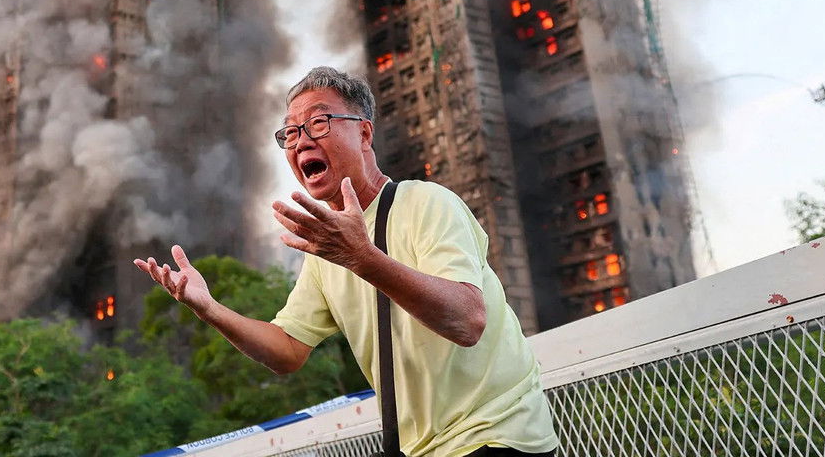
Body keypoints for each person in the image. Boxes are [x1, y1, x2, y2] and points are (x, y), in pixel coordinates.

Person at [135, 66, 559, 456]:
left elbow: (467, 321)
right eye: (290, 132)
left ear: (364, 134)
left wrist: (361, 257)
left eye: (318, 122)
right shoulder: (328, 250)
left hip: (495, 437)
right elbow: (287, 351)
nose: (301, 139)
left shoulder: (427, 203)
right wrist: (209, 309)